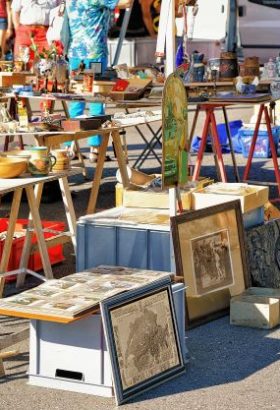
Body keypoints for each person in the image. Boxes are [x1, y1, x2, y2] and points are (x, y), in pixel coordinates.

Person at [65, 0, 131, 162]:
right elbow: (126, 2)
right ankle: (95, 148)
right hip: (94, 55)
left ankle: (68, 147)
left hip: (75, 55)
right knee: (96, 99)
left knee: (76, 100)